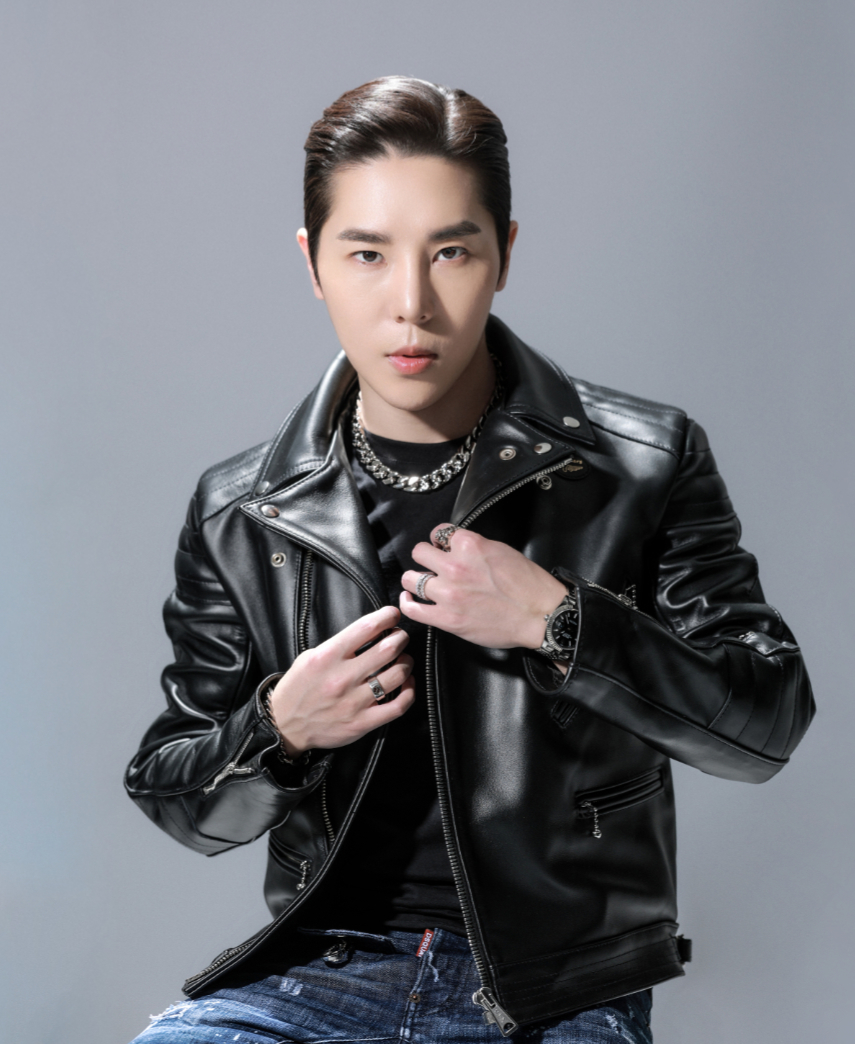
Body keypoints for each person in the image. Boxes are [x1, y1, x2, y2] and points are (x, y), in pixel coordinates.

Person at [125, 76, 814, 1043]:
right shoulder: (244, 511)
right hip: (321, 972)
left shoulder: (644, 463)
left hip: (557, 989)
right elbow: (177, 794)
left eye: (451, 251)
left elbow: (764, 726)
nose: (411, 304)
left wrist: (560, 623)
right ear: (313, 263)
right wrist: (281, 729)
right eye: (367, 254)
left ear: (504, 255)